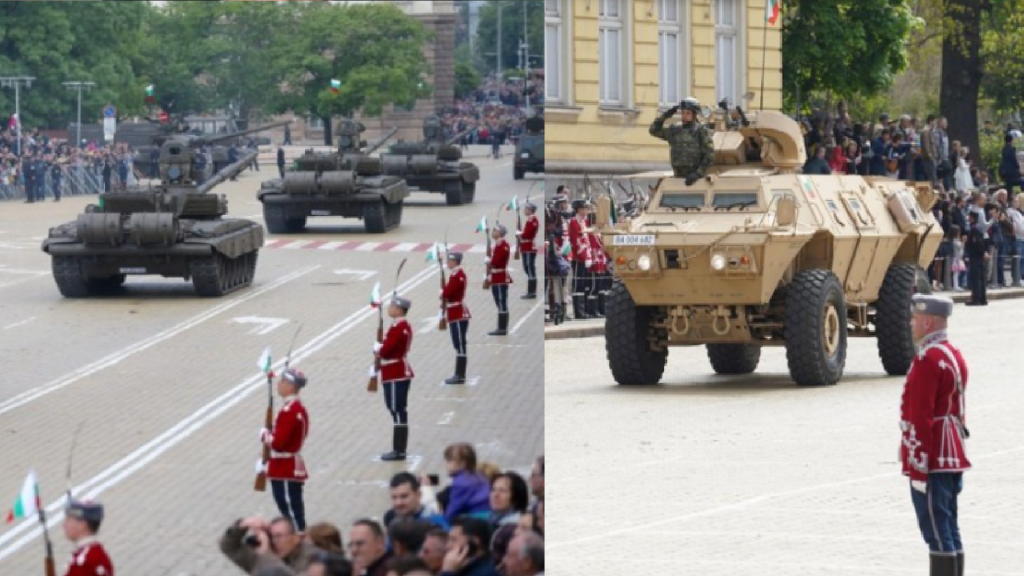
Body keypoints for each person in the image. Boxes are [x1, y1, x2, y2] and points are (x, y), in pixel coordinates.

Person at [900, 294, 970, 576]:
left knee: (936, 528)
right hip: (952, 450)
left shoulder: (928, 359)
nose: (911, 323)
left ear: (927, 322)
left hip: (934, 455)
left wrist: (918, 468)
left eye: (915, 319)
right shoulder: (953, 353)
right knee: (949, 525)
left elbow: (920, 416)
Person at [259, 367, 310, 532]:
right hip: (286, 463)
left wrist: (265, 436)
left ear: (290, 386)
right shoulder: (297, 408)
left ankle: (298, 536)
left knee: (289, 506)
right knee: (290, 505)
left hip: (285, 466)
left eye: (282, 381)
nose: (279, 384)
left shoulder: (289, 411)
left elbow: (279, 443)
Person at [375, 296, 414, 461]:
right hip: (396, 371)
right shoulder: (401, 326)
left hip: (395, 373)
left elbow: (386, 351)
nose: (389, 308)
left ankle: (399, 450)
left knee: (396, 410)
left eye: (392, 306)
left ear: (399, 309)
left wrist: (378, 348)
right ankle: (399, 449)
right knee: (398, 410)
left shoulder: (399, 328)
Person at [648, 97, 713, 182]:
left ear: (694, 114)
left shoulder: (700, 131)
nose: (684, 116)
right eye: (683, 113)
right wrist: (666, 115)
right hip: (678, 176)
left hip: (695, 178)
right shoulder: (675, 130)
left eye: (688, 113)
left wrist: (698, 173)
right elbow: (653, 130)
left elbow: (709, 156)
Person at [441, 443, 491, 523]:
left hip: (477, 517)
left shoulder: (461, 482)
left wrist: (444, 520)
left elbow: (454, 508)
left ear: (463, 463)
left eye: (450, 461)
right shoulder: (479, 474)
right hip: (488, 513)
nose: (447, 464)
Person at [62, 499, 114, 576]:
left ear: (83, 525)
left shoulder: (83, 563)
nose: (64, 525)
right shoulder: (97, 552)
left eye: (68, 520)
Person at [441, 252, 471, 385]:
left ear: (455, 261)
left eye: (450, 260)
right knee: (459, 344)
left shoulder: (457, 275)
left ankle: (460, 374)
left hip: (457, 313)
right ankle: (459, 374)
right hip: (455, 312)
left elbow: (448, 293)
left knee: (460, 344)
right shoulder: (455, 274)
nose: (448, 262)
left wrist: (443, 293)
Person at [384, 472, 448, 529]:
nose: (398, 503)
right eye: (394, 498)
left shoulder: (435, 524)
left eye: (404, 496)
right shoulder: (391, 518)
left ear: (418, 495)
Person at [567, 200, 591, 320]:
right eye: (583, 208)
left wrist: (588, 256)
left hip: (585, 256)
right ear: (578, 209)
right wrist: (583, 256)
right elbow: (575, 242)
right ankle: (578, 311)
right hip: (578, 257)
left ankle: (583, 309)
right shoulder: (573, 222)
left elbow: (586, 240)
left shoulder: (583, 221)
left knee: (583, 284)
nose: (585, 210)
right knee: (577, 285)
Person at [486, 224, 512, 336]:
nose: (493, 232)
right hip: (496, 276)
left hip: (500, 276)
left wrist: (488, 262)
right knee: (498, 301)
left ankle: (502, 328)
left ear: (500, 233)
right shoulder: (498, 244)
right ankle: (502, 327)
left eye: (495, 230)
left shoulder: (503, 245)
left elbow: (496, 262)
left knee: (501, 302)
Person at [964, 210, 990, 306]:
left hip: (976, 256)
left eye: (969, 216)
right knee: (982, 277)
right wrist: (985, 251)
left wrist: (982, 252)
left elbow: (977, 243)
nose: (968, 218)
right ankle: (983, 298)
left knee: (976, 278)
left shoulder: (974, 229)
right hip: (980, 255)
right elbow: (986, 240)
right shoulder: (980, 228)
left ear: (972, 218)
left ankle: (976, 299)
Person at [517, 202, 539, 300]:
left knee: (530, 269)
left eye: (526, 209)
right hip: (526, 246)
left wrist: (520, 234)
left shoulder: (533, 220)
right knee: (527, 268)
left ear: (530, 210)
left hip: (529, 247)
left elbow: (527, 234)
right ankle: (531, 291)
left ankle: (531, 292)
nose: (524, 211)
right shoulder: (530, 220)